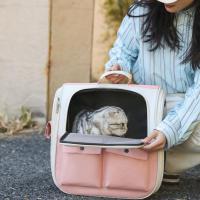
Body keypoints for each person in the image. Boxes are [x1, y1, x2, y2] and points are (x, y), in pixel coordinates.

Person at [105, 0, 200, 182]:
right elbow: (123, 51)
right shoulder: (141, 10)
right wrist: (119, 69)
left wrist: (169, 130)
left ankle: (160, 163)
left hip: (186, 106)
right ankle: (156, 163)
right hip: (144, 105)